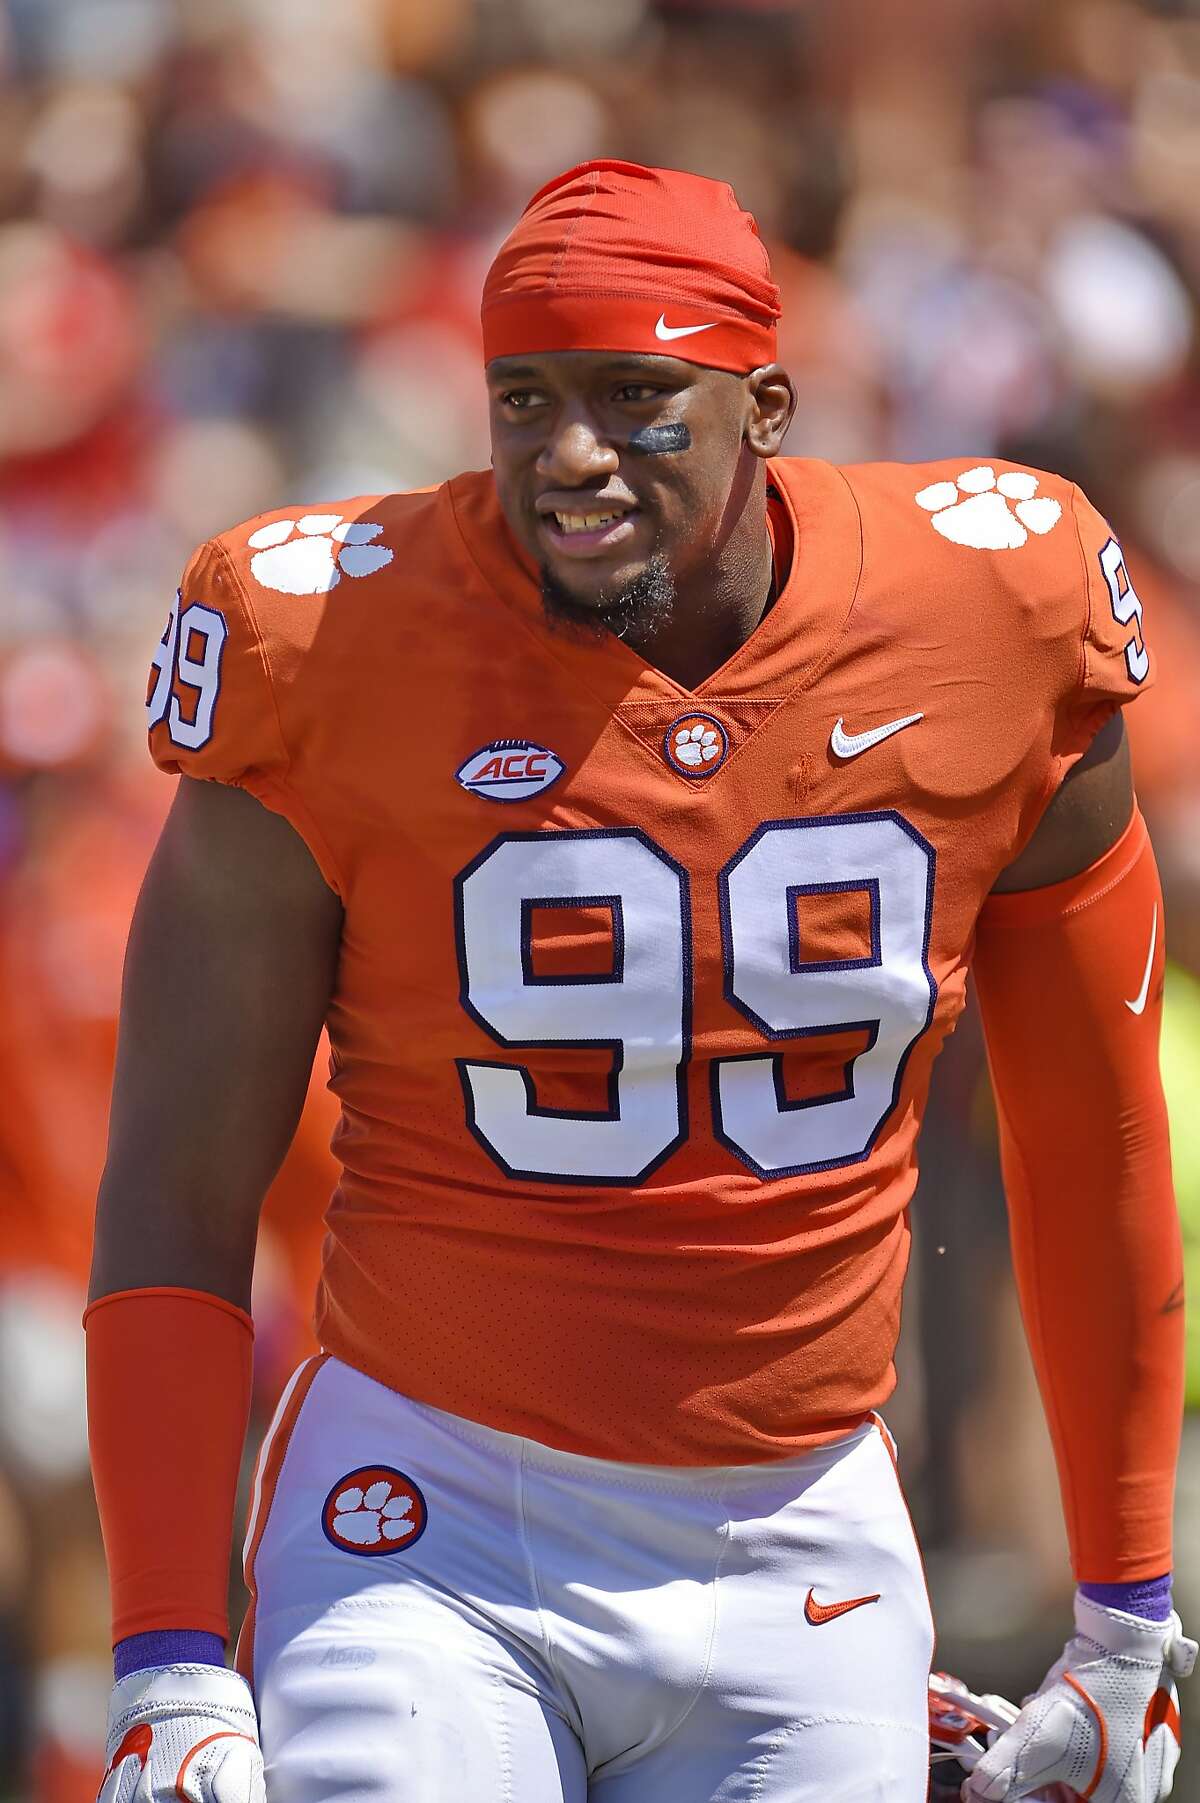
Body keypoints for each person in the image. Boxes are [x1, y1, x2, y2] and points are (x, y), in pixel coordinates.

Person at [87, 161, 1193, 1802]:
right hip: (427, 1516)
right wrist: (169, 1657)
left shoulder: (996, 606)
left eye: (635, 396)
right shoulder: (319, 638)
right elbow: (177, 1178)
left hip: (797, 1522)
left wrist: (1127, 1610)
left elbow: (1090, 1135)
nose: (569, 455)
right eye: (522, 398)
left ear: (766, 402)